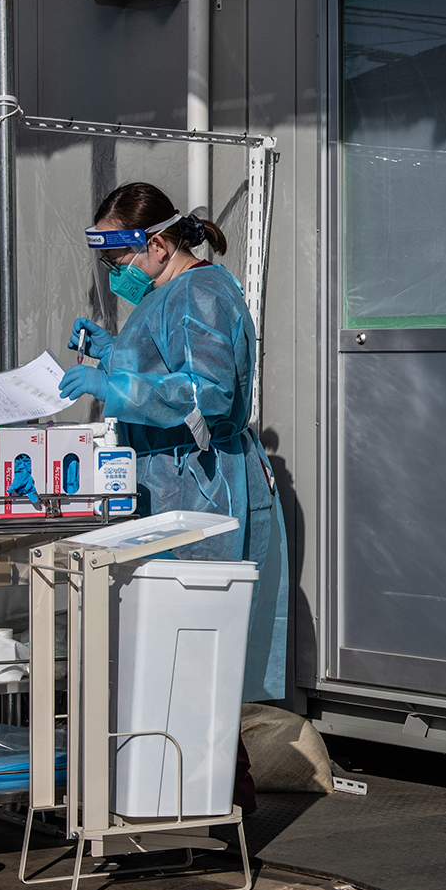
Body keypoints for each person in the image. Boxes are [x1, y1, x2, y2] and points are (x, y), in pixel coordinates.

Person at [59, 182, 288, 709]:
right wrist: (114, 351)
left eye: (118, 258)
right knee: (176, 652)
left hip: (197, 485)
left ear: (158, 247)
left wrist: (112, 386)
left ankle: (218, 785)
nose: (115, 272)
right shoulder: (176, 292)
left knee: (198, 653)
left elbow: (206, 392)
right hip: (175, 481)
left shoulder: (197, 293)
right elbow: (170, 360)